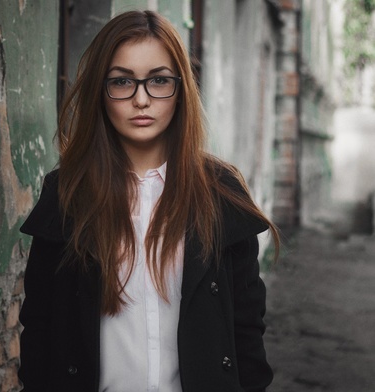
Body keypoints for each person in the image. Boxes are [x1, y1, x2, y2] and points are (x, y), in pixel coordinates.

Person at [18, 9, 280, 392]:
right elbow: (40, 329)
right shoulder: (67, 194)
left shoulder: (219, 191)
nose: (141, 99)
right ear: (100, 92)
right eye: (122, 81)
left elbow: (246, 330)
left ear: (180, 90)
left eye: (158, 80)